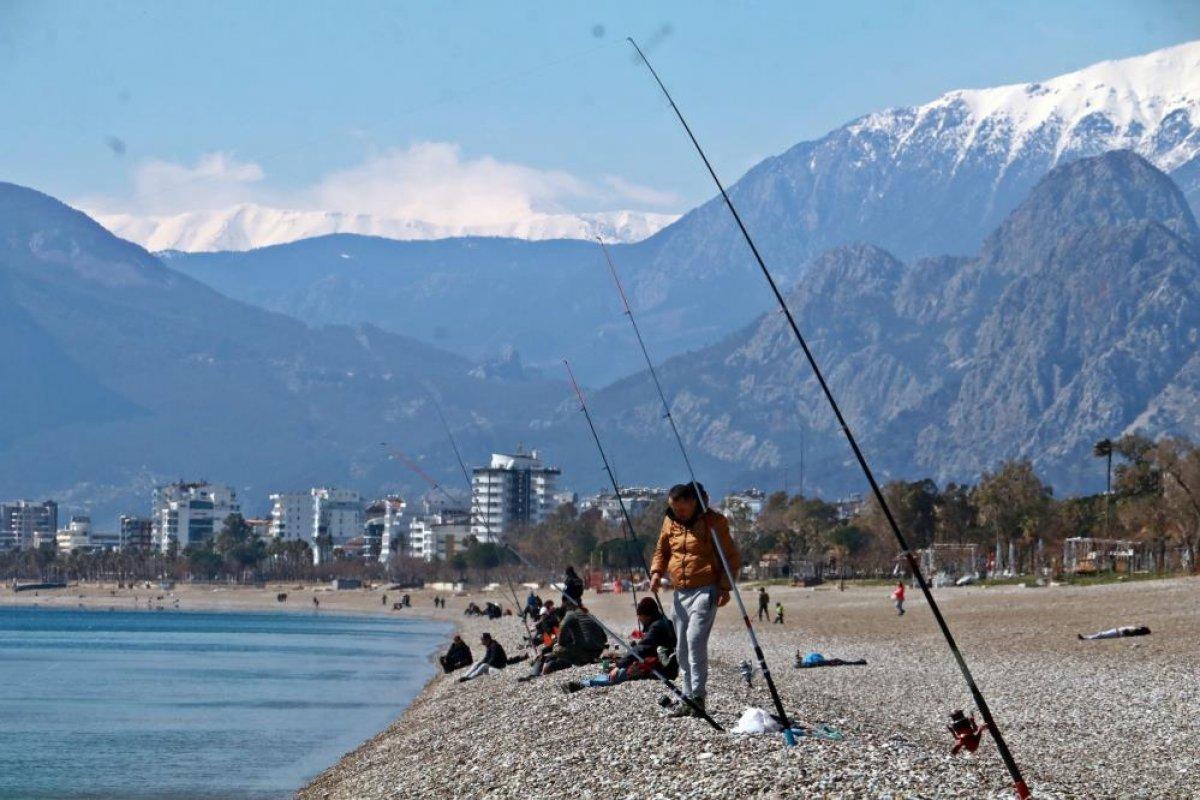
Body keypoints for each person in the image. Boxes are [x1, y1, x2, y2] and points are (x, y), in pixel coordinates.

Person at [649, 482, 739, 718]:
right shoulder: (670, 522)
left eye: (681, 509)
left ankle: (698, 697)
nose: (677, 513)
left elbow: (730, 556)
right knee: (681, 649)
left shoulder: (714, 522)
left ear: (693, 502)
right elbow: (662, 550)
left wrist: (724, 587)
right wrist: (656, 573)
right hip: (680, 592)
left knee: (695, 642)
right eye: (673, 508)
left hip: (705, 589)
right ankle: (687, 698)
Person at [563, 596, 677, 693]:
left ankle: (584, 684)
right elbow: (647, 648)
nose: (639, 619)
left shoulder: (656, 627)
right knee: (622, 664)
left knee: (621, 672)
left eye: (640, 616)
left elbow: (642, 648)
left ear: (647, 616)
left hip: (662, 669)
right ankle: (588, 682)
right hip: (665, 665)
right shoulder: (664, 622)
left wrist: (618, 666)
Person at [529, 603, 607, 677]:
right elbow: (605, 638)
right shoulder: (587, 615)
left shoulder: (567, 618)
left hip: (583, 652)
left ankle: (545, 670)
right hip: (598, 651)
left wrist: (552, 645)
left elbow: (558, 638)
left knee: (555, 651)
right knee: (551, 653)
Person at [1078, 625, 1151, 640]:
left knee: (1101, 635)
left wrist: (1127, 631)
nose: (1140, 627)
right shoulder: (1135, 630)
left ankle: (1085, 638)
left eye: (1141, 627)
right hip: (1116, 631)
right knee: (1101, 634)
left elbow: (1126, 632)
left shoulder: (1135, 632)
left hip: (1117, 633)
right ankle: (1086, 637)